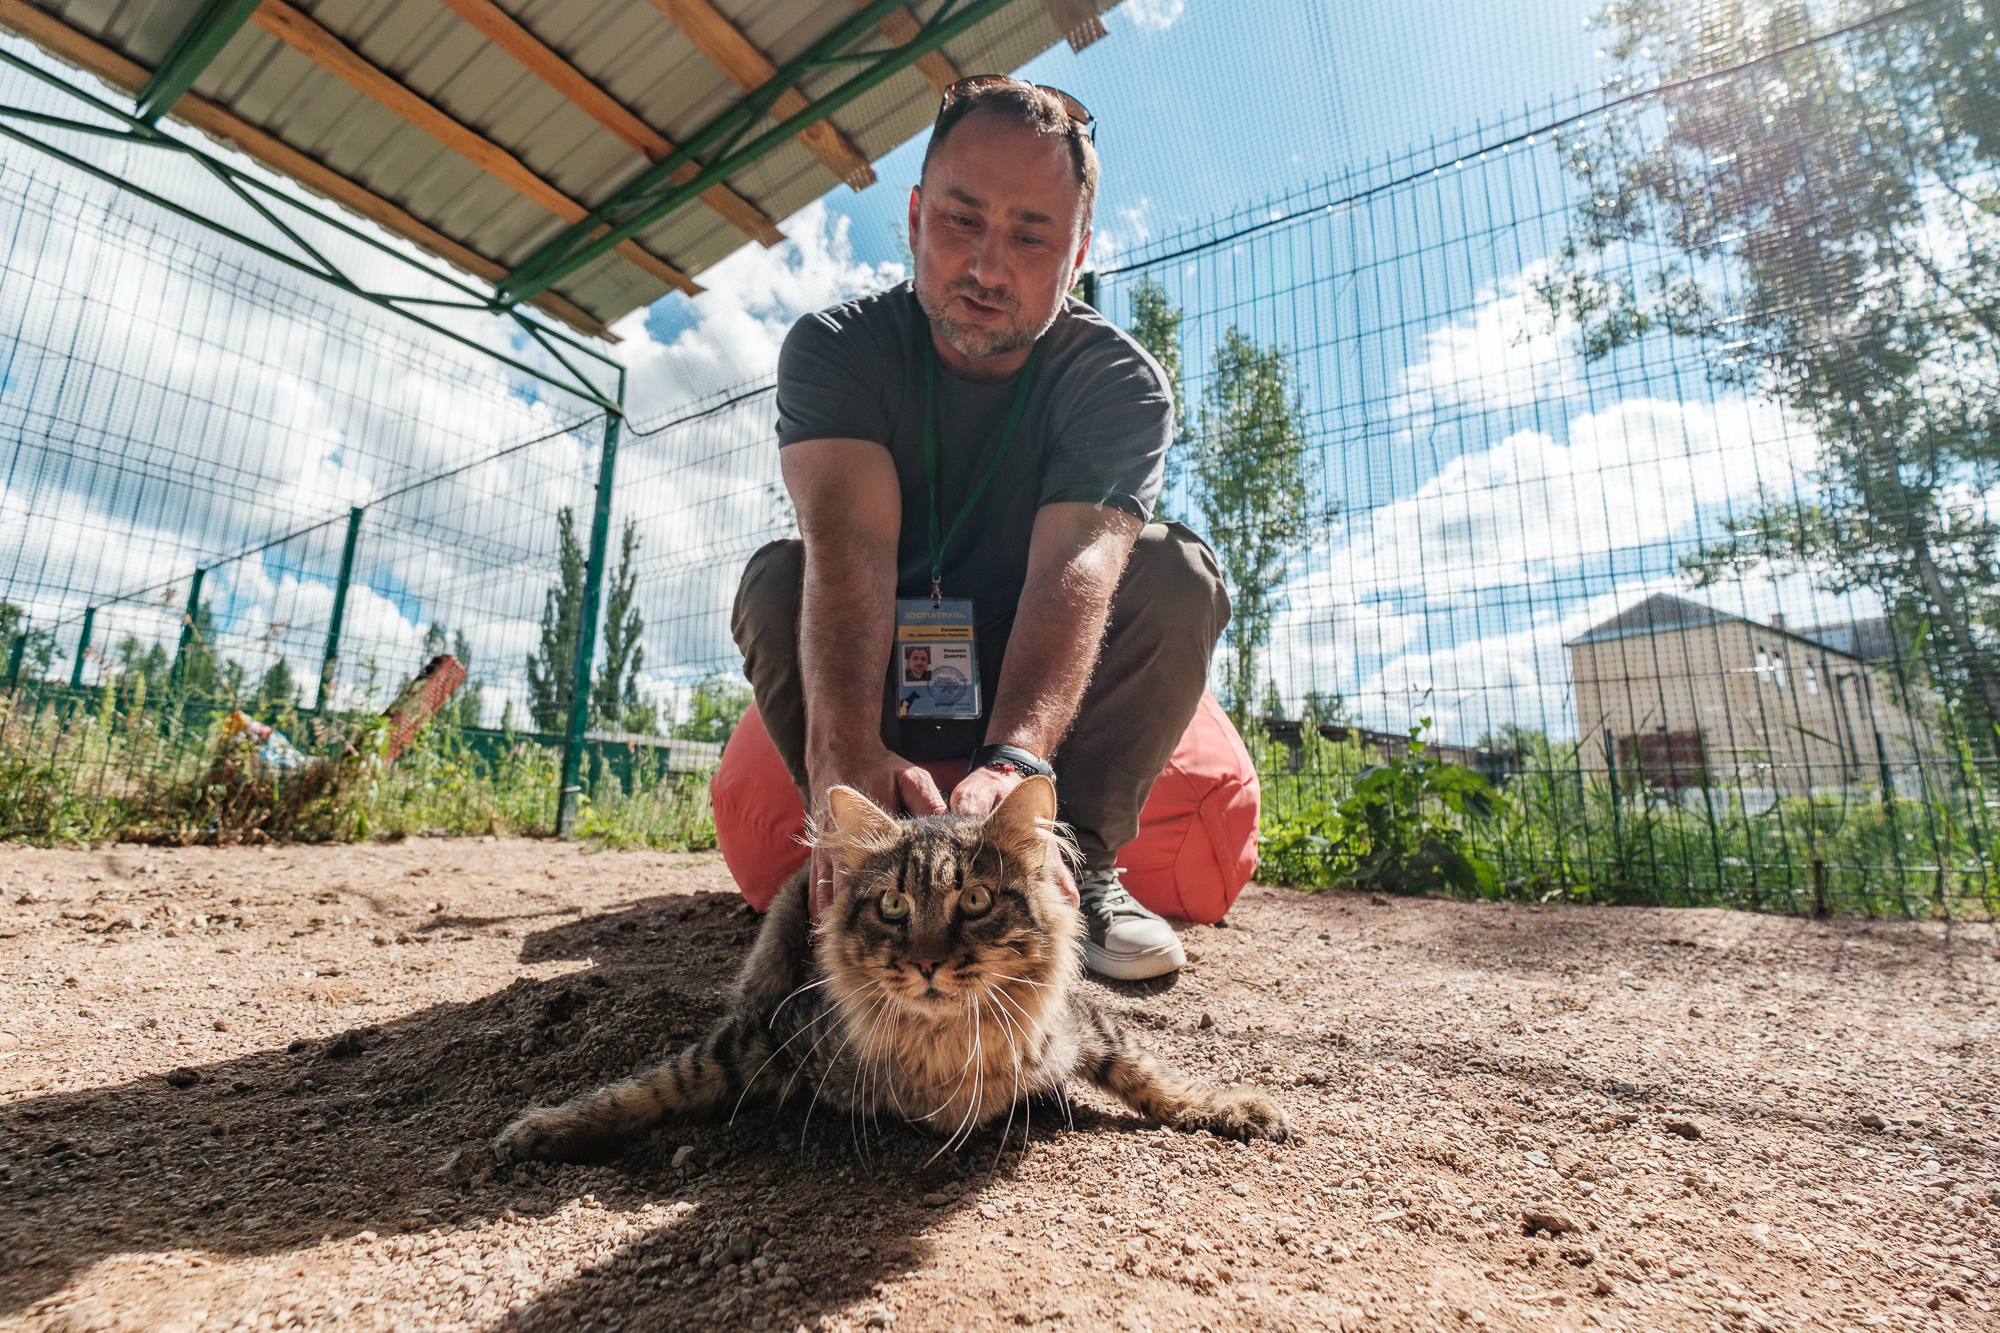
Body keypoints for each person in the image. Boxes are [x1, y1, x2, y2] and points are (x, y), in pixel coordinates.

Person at [731, 76, 1229, 981]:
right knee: (774, 579)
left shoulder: (1117, 380)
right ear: (916, 214)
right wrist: (843, 754)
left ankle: (1079, 864)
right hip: (885, 665)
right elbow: (849, 551)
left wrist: (1012, 757)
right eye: (961, 220)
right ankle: (859, 878)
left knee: (1176, 574)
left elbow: (1075, 571)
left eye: (1031, 235)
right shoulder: (835, 349)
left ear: (1076, 253)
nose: (987, 267)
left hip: (1030, 684)